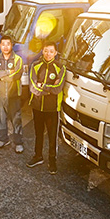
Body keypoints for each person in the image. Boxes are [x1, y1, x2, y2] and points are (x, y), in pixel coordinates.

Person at [27, 42, 66, 174]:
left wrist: (42, 86)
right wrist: (49, 89)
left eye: (51, 51)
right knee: (38, 133)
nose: (48, 54)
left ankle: (52, 160)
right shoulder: (35, 65)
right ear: (42, 51)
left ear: (55, 53)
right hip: (37, 106)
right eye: (45, 51)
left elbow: (58, 88)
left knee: (52, 136)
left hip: (52, 108)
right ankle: (38, 156)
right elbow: (33, 87)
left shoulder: (60, 68)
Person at [0, 35, 25, 153]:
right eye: (3, 44)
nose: (5, 47)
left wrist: (1, 77)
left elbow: (16, 76)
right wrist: (8, 72)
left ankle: (18, 142)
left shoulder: (18, 59)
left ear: (12, 45)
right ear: (0, 45)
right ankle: (3, 139)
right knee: (0, 118)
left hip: (13, 94)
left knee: (16, 119)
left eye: (8, 44)